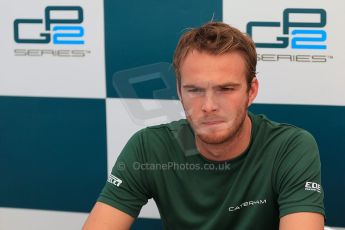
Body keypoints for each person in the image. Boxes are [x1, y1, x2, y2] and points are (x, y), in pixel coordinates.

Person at [83, 22, 325, 229]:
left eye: (226, 89)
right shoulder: (149, 146)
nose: (209, 106)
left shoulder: (289, 147)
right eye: (195, 90)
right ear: (179, 91)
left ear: (251, 91)